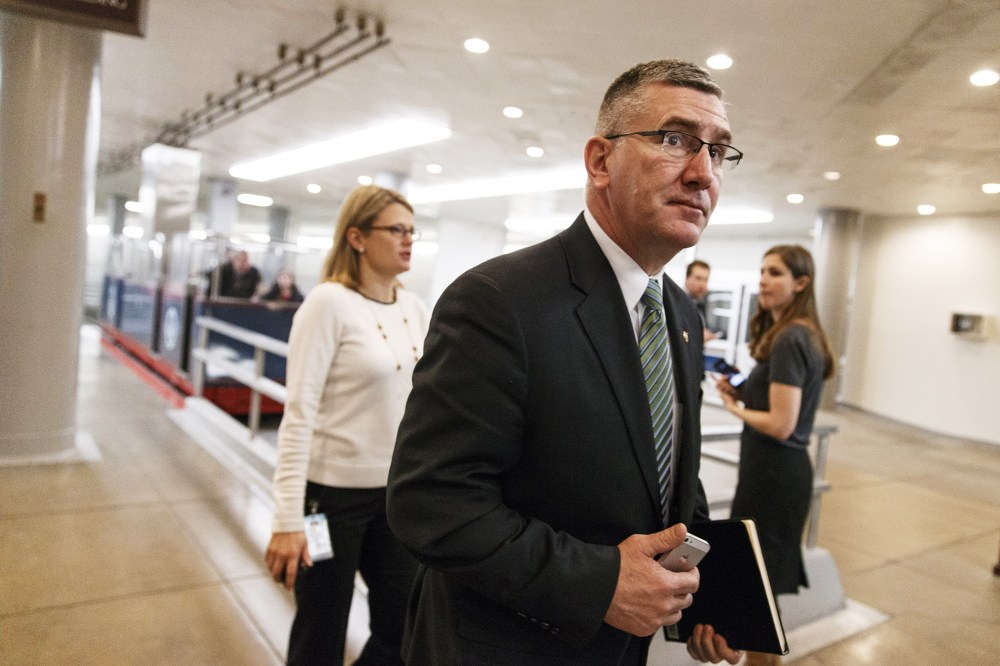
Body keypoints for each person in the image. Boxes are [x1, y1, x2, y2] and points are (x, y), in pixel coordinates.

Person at [386, 59, 743, 665]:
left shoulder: (680, 315)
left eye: (720, 151)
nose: (703, 172)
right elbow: (432, 503)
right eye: (675, 139)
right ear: (601, 161)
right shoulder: (499, 301)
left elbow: (671, 474)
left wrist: (711, 591)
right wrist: (600, 581)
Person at [264, 185, 430, 665]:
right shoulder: (328, 303)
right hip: (328, 501)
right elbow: (298, 415)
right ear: (357, 238)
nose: (408, 240)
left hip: (394, 498)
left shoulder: (413, 308)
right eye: (396, 229)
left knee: (403, 629)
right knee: (321, 633)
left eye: (412, 230)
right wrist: (287, 519)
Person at [715, 244, 835, 666]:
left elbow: (783, 424)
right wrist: (746, 391)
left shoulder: (790, 337)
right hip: (773, 475)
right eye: (762, 271)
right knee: (759, 594)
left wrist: (735, 408)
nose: (764, 280)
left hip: (775, 478)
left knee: (758, 595)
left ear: (800, 283)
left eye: (776, 273)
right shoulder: (798, 334)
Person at [685, 259, 718, 341]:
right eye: (698, 278)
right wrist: (698, 337)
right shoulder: (675, 303)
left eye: (706, 280)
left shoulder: (700, 305)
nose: (702, 284)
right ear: (687, 278)